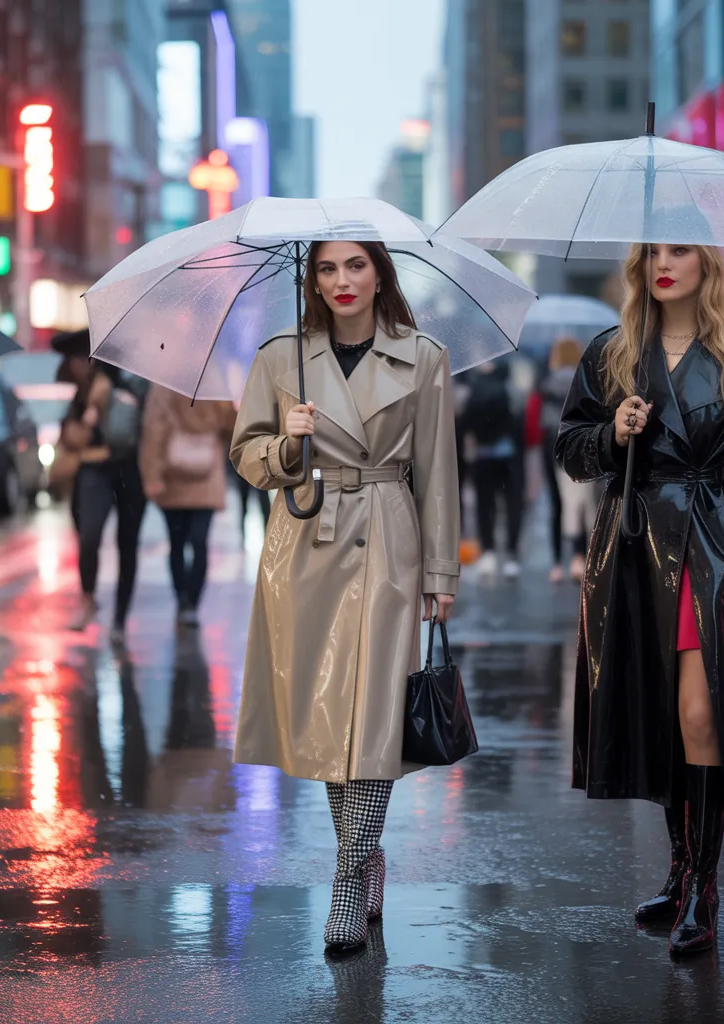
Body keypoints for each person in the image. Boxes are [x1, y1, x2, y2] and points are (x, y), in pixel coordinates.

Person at [556, 242, 724, 958]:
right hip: (632, 544)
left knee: (700, 713)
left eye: (681, 251)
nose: (665, 264)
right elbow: (571, 449)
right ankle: (679, 868)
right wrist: (612, 433)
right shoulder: (612, 352)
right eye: (653, 252)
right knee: (661, 712)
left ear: (707, 264)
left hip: (708, 549)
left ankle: (705, 887)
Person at [230, 239, 460, 957]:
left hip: (389, 535)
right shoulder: (280, 357)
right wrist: (287, 445)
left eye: (355, 266)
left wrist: (439, 574)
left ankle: (345, 874)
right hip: (305, 544)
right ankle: (364, 859)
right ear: (313, 279)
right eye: (326, 268)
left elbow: (439, 472)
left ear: (379, 273)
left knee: (374, 715)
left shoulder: (423, 357)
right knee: (331, 720)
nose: (341, 281)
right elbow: (247, 456)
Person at [56, 336, 148, 642]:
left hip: (129, 471)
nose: (77, 366)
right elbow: (69, 435)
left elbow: (142, 428)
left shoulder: (129, 383)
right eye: (74, 360)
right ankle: (88, 599)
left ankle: (120, 618)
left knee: (127, 544)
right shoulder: (83, 394)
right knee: (89, 537)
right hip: (94, 470)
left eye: (82, 359)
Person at [139, 384, 237, 625]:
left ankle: (187, 601)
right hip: (197, 473)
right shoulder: (212, 383)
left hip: (178, 474)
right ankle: (187, 602)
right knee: (192, 541)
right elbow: (231, 425)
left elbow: (154, 428)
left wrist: (152, 475)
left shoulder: (165, 384)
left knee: (184, 542)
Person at [462, 360, 523, 577]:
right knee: (511, 504)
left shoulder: (474, 388)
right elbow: (518, 421)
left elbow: (465, 420)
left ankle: (487, 551)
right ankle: (511, 554)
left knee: (484, 505)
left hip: (482, 455)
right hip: (507, 455)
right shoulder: (508, 388)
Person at [541, 337, 594, 583]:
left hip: (551, 446)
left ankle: (555, 564)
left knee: (557, 504)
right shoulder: (584, 382)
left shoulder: (546, 383)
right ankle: (578, 557)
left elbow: (538, 419)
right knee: (580, 504)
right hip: (577, 446)